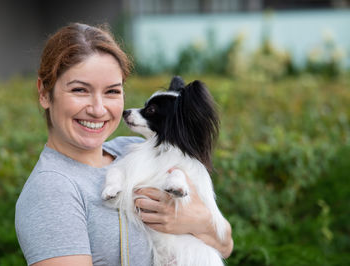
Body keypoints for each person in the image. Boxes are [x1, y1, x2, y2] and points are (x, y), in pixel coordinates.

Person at [15, 22, 233, 266]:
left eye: (111, 92)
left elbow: (225, 244)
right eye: (80, 90)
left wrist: (199, 222)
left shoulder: (135, 147)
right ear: (45, 93)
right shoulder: (52, 190)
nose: (98, 109)